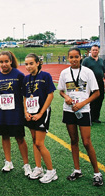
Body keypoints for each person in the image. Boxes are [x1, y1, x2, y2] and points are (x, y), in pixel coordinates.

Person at [57, 48, 103, 186]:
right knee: (73, 140)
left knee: (87, 142)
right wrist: (66, 97)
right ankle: (77, 170)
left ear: (80, 57)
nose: (74, 59)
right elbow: (61, 91)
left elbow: (97, 93)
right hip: (69, 110)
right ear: (68, 58)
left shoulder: (88, 72)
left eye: (76, 57)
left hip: (83, 110)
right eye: (71, 57)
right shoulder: (64, 73)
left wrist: (82, 103)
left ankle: (97, 173)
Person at [0, 51, 32, 176]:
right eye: (1, 62)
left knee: (20, 138)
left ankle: (26, 165)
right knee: (5, 137)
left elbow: (26, 94)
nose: (4, 64)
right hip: (2, 113)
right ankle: (8, 162)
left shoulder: (19, 75)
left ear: (10, 61)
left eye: (6, 61)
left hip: (16, 113)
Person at [23, 53, 58, 183]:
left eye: (31, 63)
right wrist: (26, 111)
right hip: (31, 113)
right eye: (26, 64)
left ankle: (51, 171)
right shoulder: (26, 79)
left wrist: (41, 113)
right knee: (34, 140)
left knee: (39, 142)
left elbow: (50, 95)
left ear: (38, 63)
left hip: (41, 113)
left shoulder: (45, 76)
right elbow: (25, 97)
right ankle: (38, 168)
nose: (28, 66)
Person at [82, 45, 105, 123]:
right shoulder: (86, 61)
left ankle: (95, 117)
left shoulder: (101, 61)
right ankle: (89, 118)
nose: (95, 51)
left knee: (100, 99)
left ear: (98, 51)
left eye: (96, 50)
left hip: (100, 82)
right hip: (90, 83)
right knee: (91, 100)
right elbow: (82, 72)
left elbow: (103, 71)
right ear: (90, 51)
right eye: (93, 50)